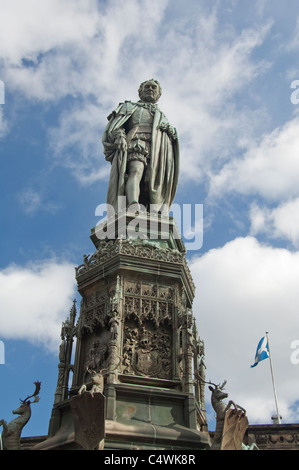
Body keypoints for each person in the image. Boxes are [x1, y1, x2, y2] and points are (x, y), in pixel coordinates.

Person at [102, 79, 179, 215]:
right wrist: (119, 135)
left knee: (154, 180)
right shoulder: (129, 106)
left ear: (158, 94)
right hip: (137, 142)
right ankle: (133, 204)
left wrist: (172, 131)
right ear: (140, 92)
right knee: (136, 170)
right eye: (147, 87)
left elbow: (170, 134)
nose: (150, 89)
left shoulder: (161, 115)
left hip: (159, 149)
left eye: (154, 87)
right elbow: (115, 125)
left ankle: (154, 211)